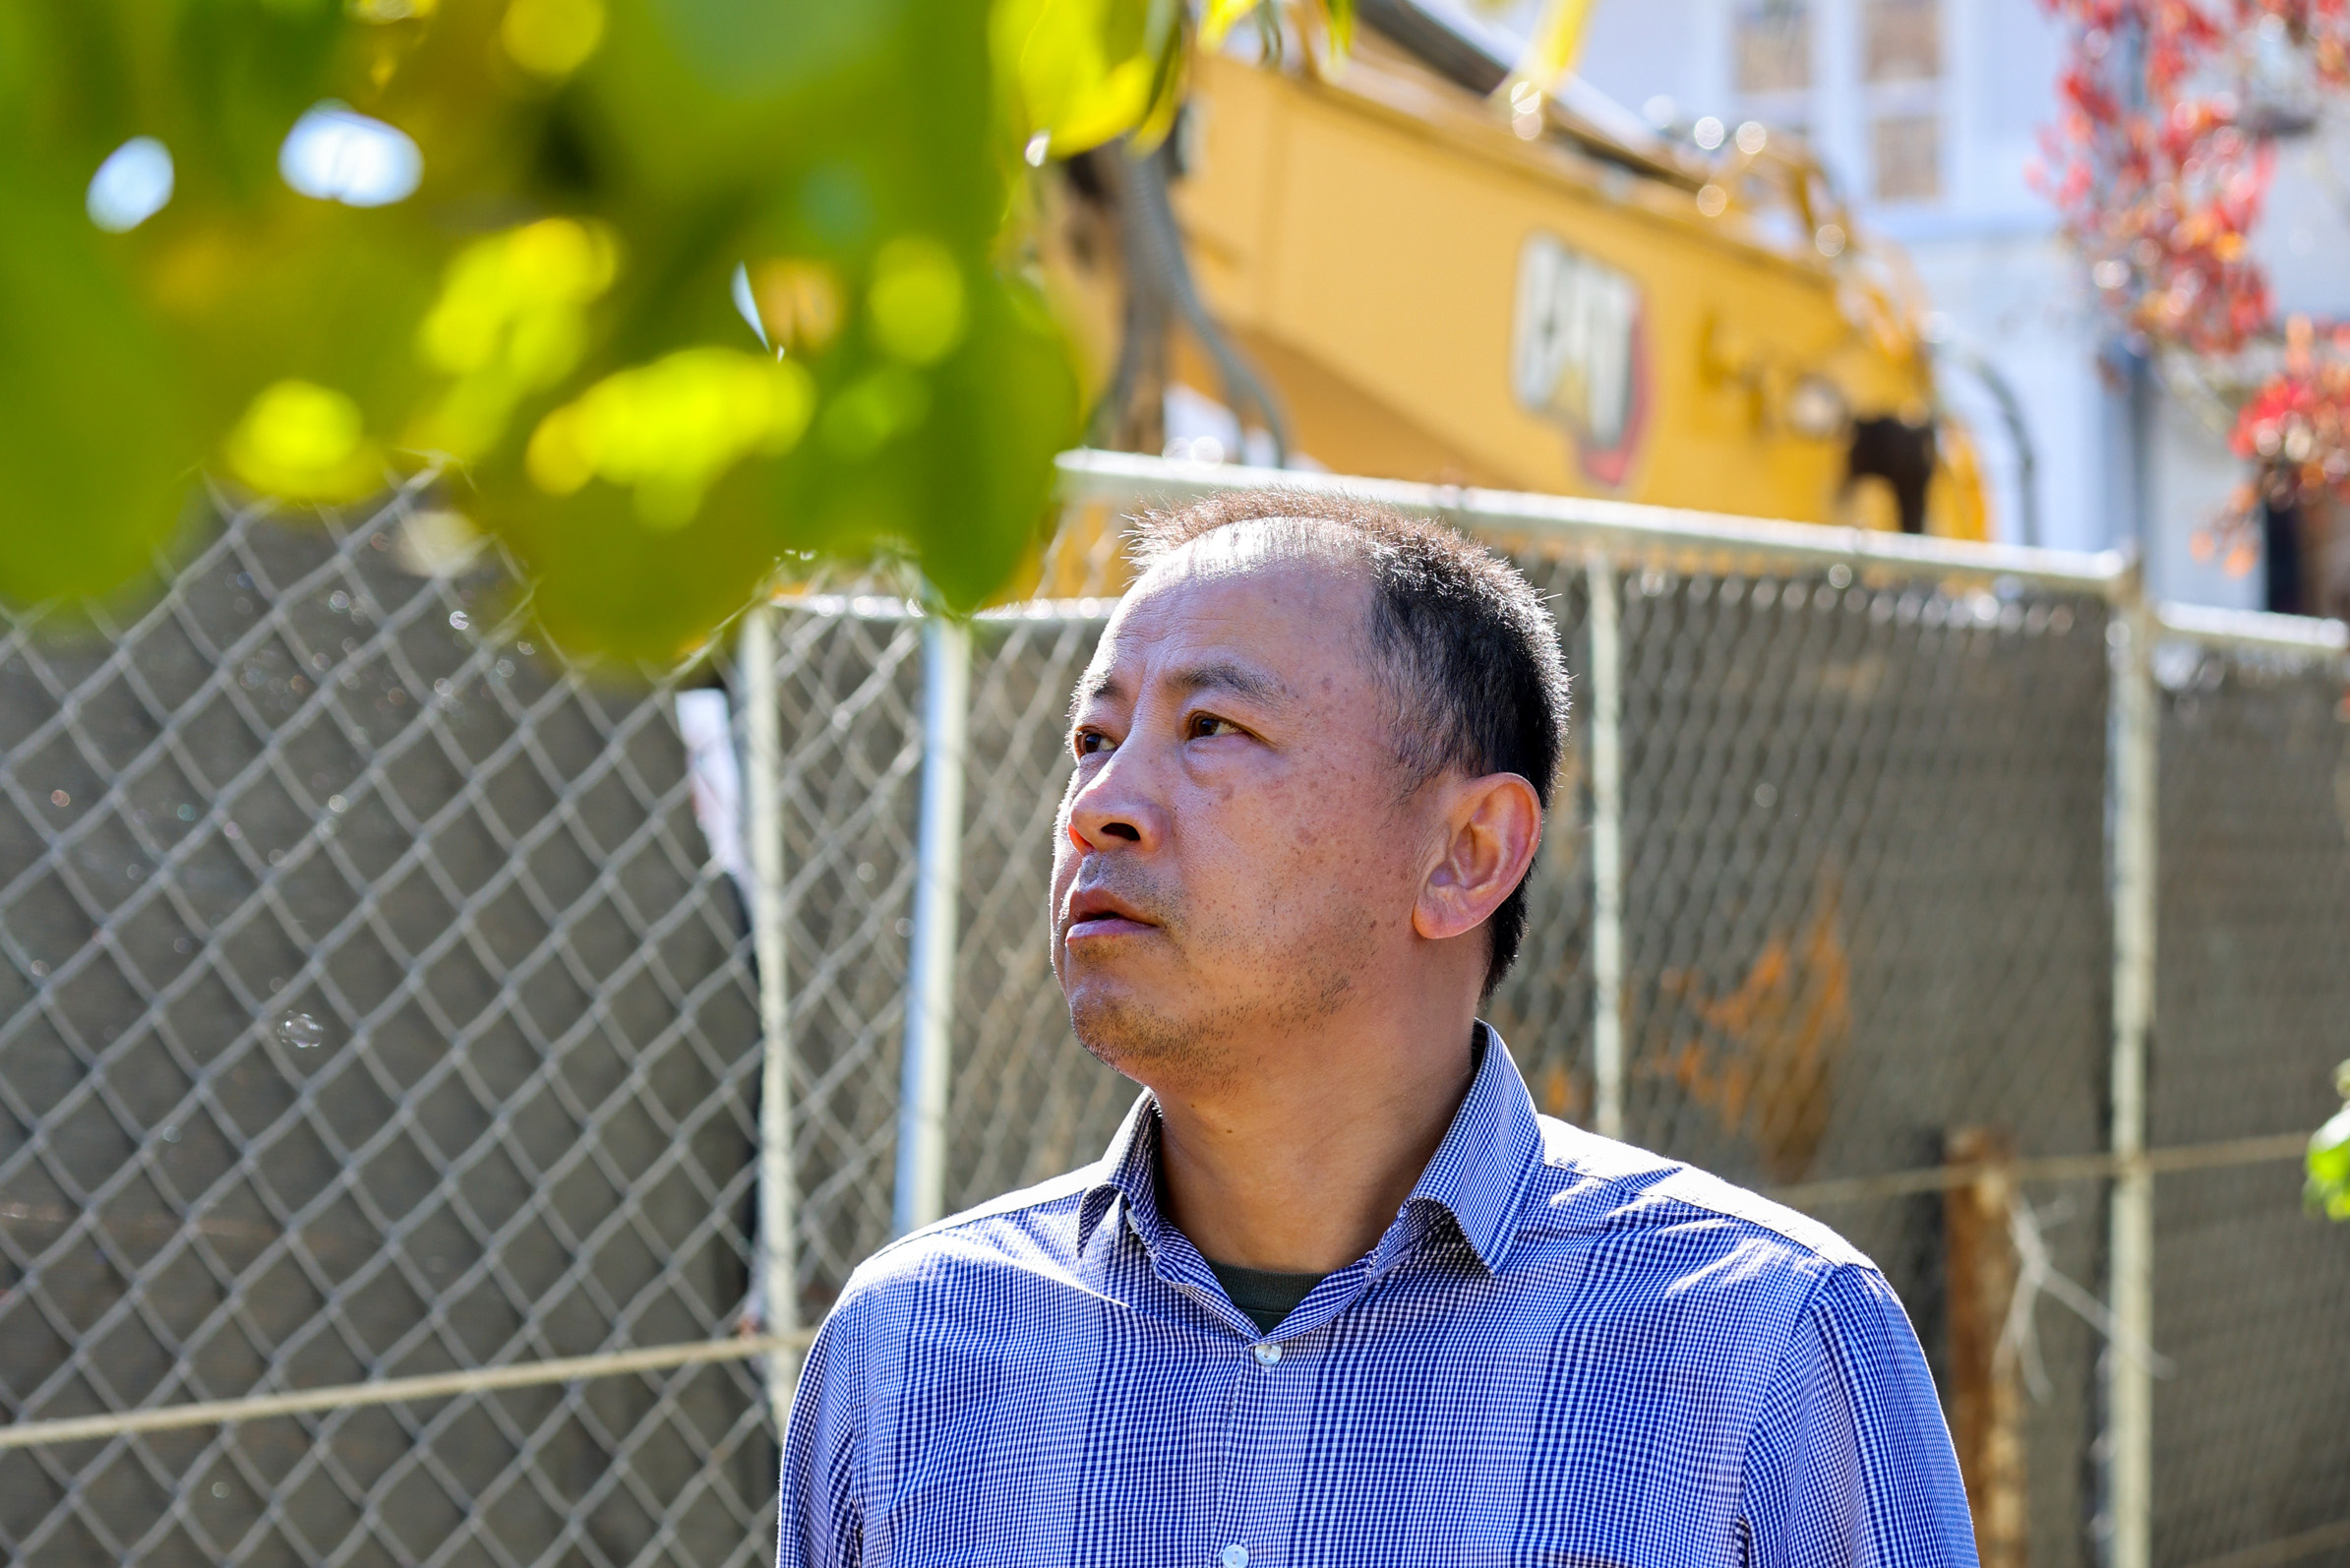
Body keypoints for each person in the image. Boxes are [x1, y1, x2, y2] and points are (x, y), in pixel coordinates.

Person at [778, 491, 1977, 1567]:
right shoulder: (908, 1346)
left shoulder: (1762, 1346)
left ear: (1467, 855)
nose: (1100, 806)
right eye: (1092, 740)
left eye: (1211, 730)